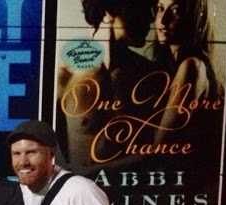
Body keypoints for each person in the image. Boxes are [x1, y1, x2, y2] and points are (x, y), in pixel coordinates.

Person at [56, 0, 157, 169]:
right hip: (82, 185)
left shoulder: (151, 76)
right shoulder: (65, 75)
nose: (151, 19)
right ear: (109, 11)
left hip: (133, 185)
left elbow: (158, 153)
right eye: (142, 8)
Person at [151, 0, 224, 146]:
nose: (163, 20)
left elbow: (160, 149)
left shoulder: (191, 66)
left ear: (194, 17)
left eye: (176, 11)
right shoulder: (173, 65)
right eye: (160, 8)